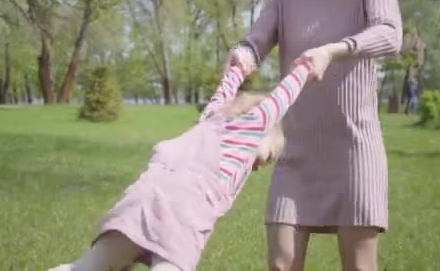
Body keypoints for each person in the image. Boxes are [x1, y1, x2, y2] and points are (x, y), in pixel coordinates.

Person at [228, 0, 403, 270]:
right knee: (281, 264)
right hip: (295, 155)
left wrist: (333, 51)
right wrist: (243, 54)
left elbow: (390, 34)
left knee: (359, 266)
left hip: (354, 154)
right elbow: (255, 41)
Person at [46, 56, 314, 271]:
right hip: (182, 211)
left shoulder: (210, 116)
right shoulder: (253, 127)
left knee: (89, 266)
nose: (257, 167)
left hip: (140, 198)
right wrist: (304, 69)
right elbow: (281, 98)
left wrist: (237, 69)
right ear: (262, 128)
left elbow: (224, 92)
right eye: (268, 156)